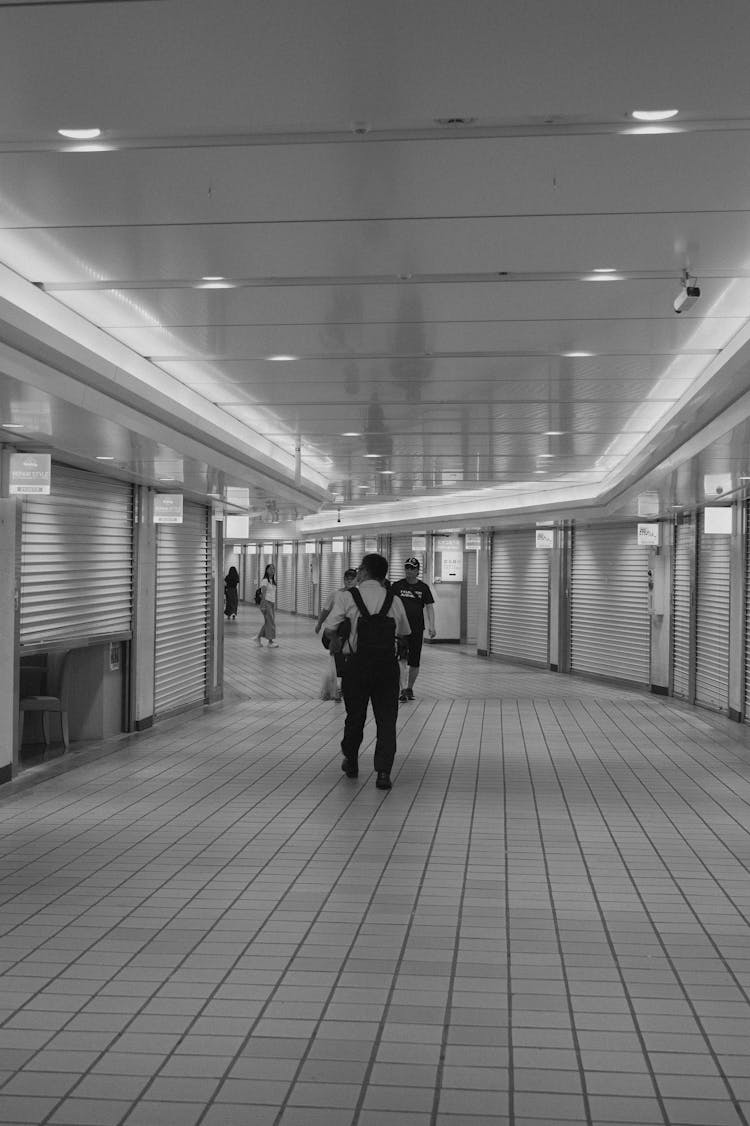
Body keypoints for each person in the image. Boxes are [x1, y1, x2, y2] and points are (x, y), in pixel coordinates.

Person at [323, 553, 410, 790]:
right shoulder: (394, 599)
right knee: (386, 720)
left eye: (360, 569)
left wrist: (338, 639)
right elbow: (404, 631)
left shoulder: (348, 597)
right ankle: (383, 773)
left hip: (356, 666)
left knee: (355, 717)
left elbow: (329, 628)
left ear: (364, 572)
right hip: (386, 668)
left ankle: (351, 761)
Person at [390, 557, 436, 702]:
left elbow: (429, 607)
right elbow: (389, 605)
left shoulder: (423, 588)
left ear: (417, 571)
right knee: (401, 658)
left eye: (412, 568)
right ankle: (402, 688)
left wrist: (432, 626)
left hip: (416, 629)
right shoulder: (397, 586)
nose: (409, 571)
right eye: (407, 568)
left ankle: (409, 687)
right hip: (400, 630)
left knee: (414, 661)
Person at [315, 568, 358, 700]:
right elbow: (326, 610)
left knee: (350, 660)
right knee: (338, 659)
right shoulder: (335, 594)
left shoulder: (359, 595)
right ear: (344, 580)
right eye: (347, 579)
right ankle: (337, 688)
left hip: (352, 633)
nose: (349, 581)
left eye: (352, 578)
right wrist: (319, 623)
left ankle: (344, 687)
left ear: (357, 580)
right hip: (337, 633)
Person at [255, 563, 279, 647]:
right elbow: (263, 594)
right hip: (266, 603)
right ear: (267, 570)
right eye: (271, 569)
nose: (273, 570)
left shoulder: (272, 581)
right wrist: (263, 605)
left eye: (274, 569)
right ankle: (270, 642)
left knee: (268, 622)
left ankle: (258, 638)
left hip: (271, 603)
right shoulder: (265, 580)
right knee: (271, 622)